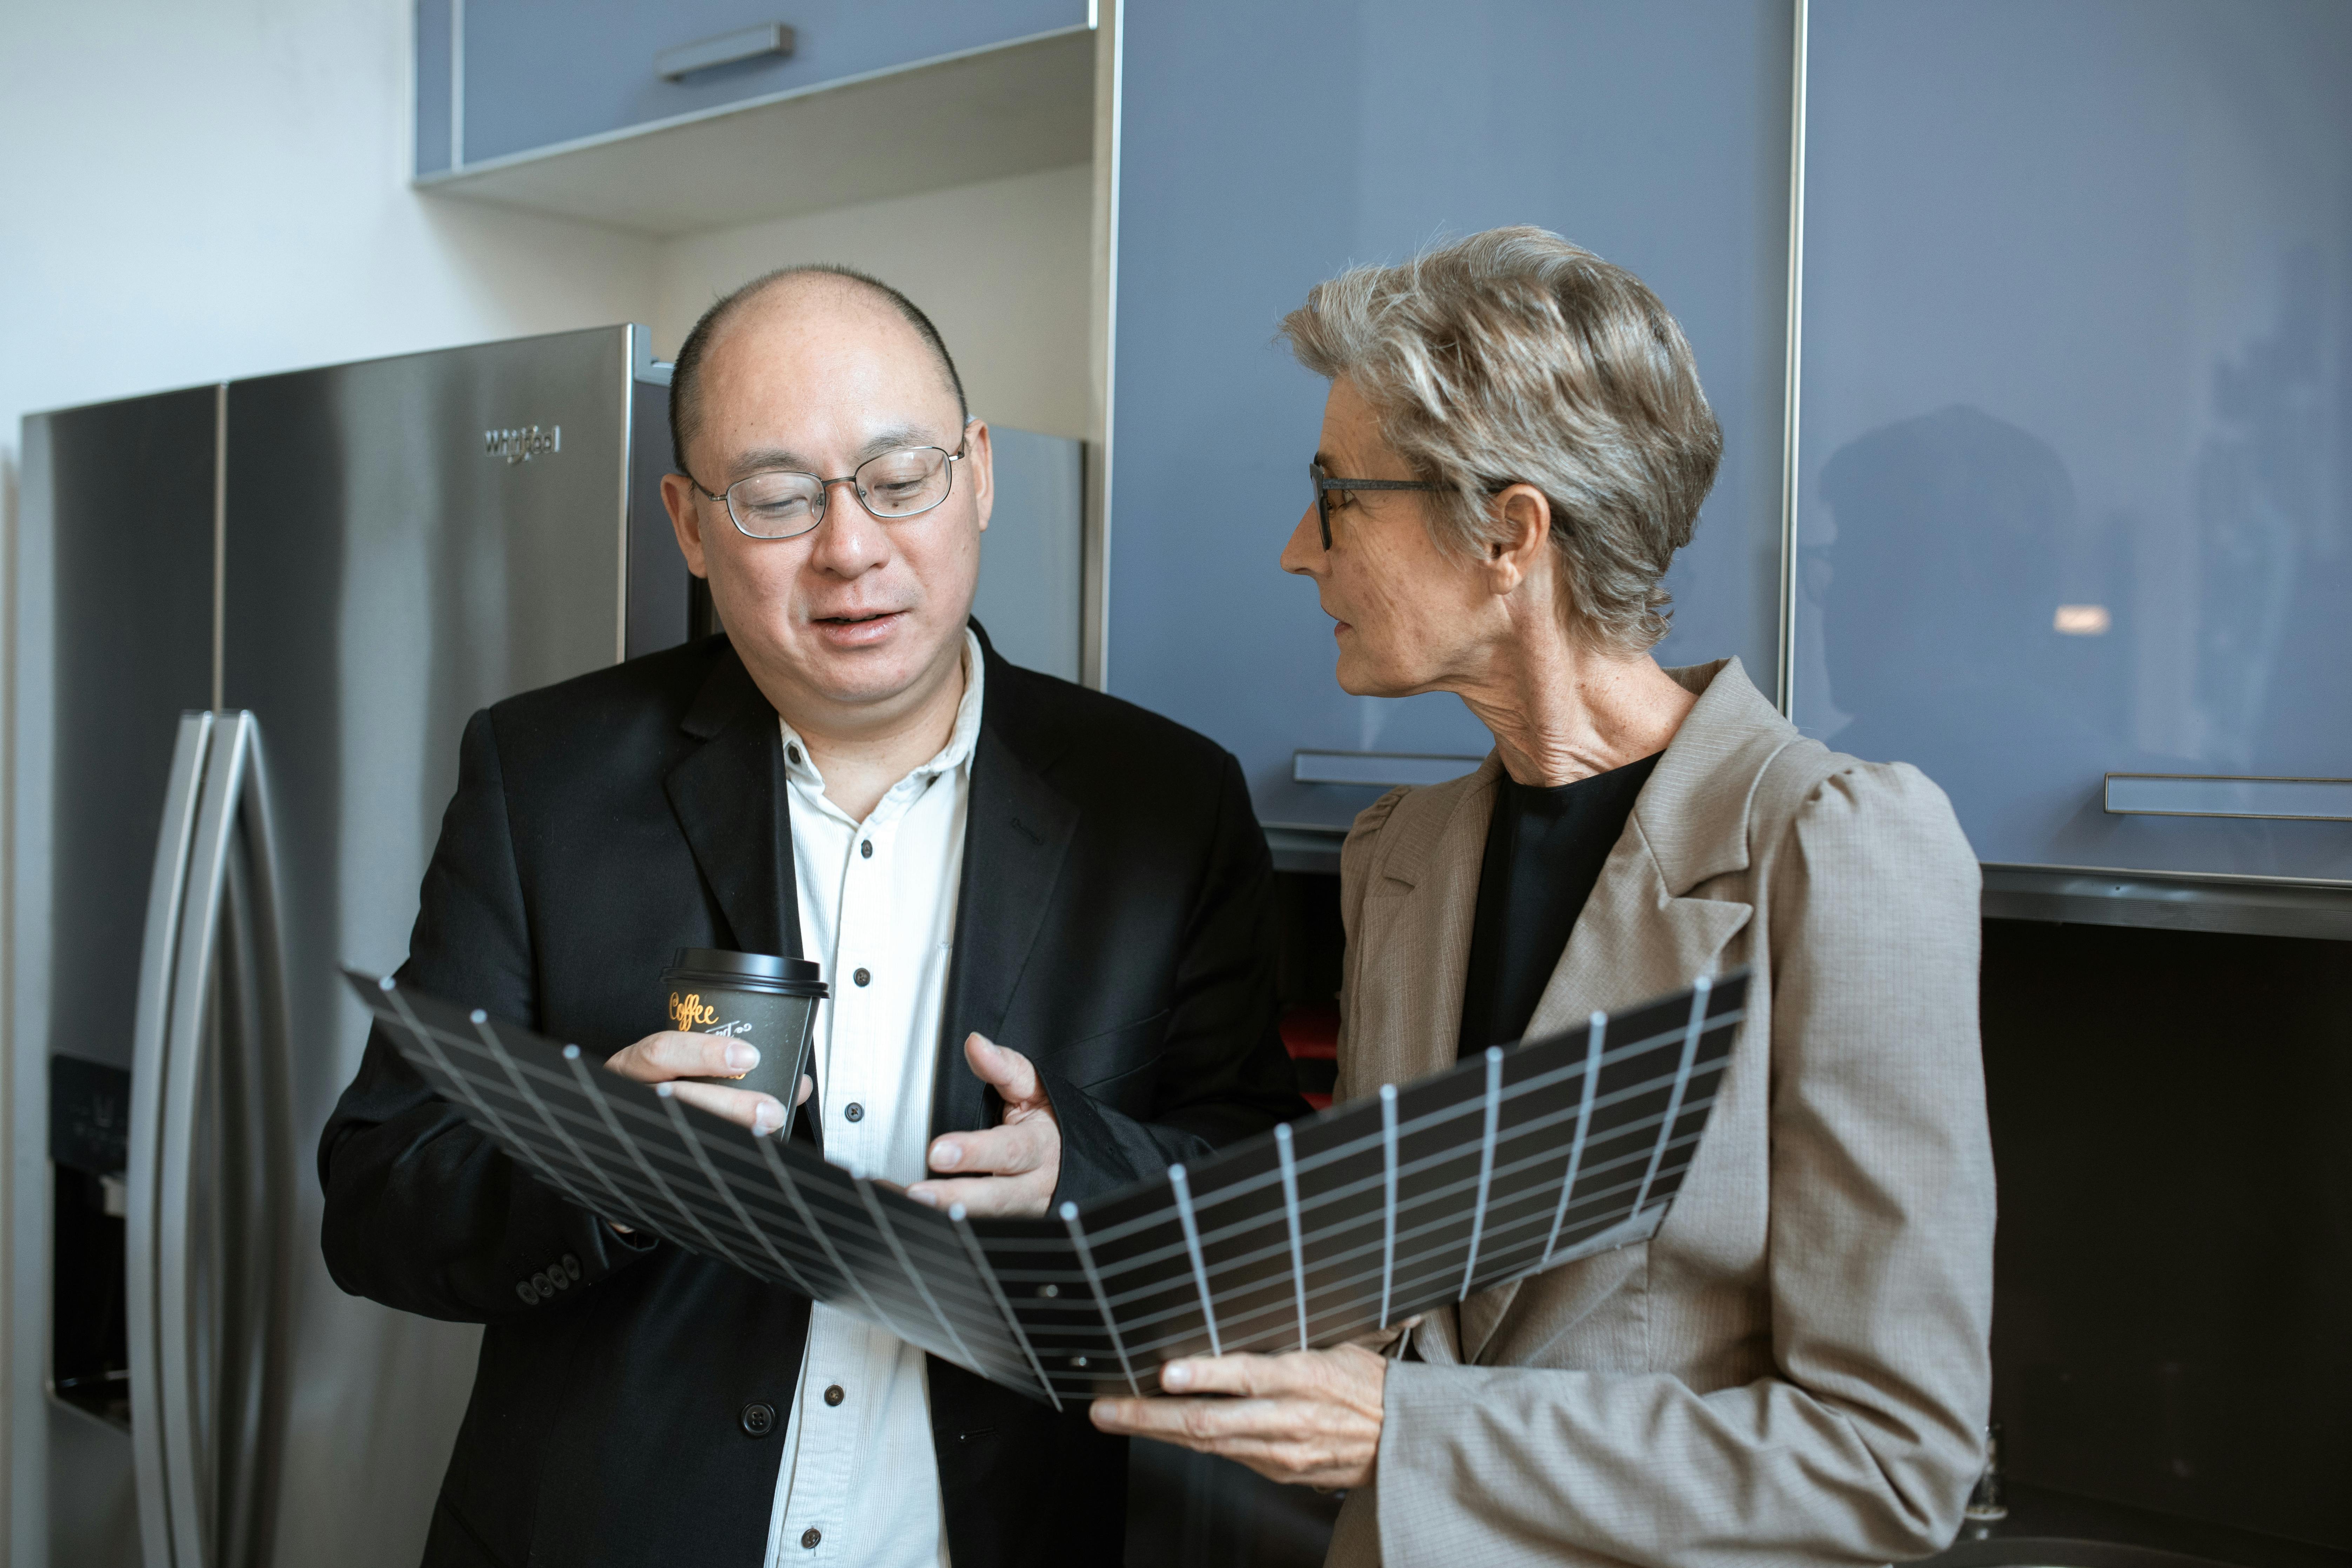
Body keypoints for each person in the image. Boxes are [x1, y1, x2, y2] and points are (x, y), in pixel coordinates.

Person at [319, 265, 1305, 1568]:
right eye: (777, 500)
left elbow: (1262, 1195)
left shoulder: (1164, 802)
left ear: (981, 474)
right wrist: (598, 1165)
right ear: (687, 523)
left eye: (900, 482)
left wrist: (1081, 1173)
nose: (851, 549)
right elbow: (378, 1197)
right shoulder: (544, 778)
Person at [1091, 228, 1997, 1566]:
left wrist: (1406, 1428)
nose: (1298, 549)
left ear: (1509, 534)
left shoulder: (1836, 846)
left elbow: (1891, 1462)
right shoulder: (1398, 852)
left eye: (1337, 496)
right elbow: (1419, 1312)